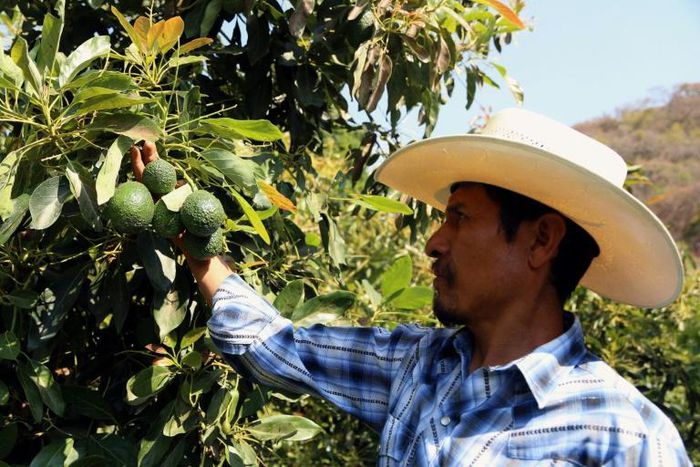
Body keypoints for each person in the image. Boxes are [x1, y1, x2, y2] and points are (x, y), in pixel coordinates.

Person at [132, 108, 691, 465]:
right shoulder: (416, 365)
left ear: (541, 241)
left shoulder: (628, 436)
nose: (434, 243)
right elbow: (280, 348)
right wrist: (193, 236)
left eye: (461, 218)